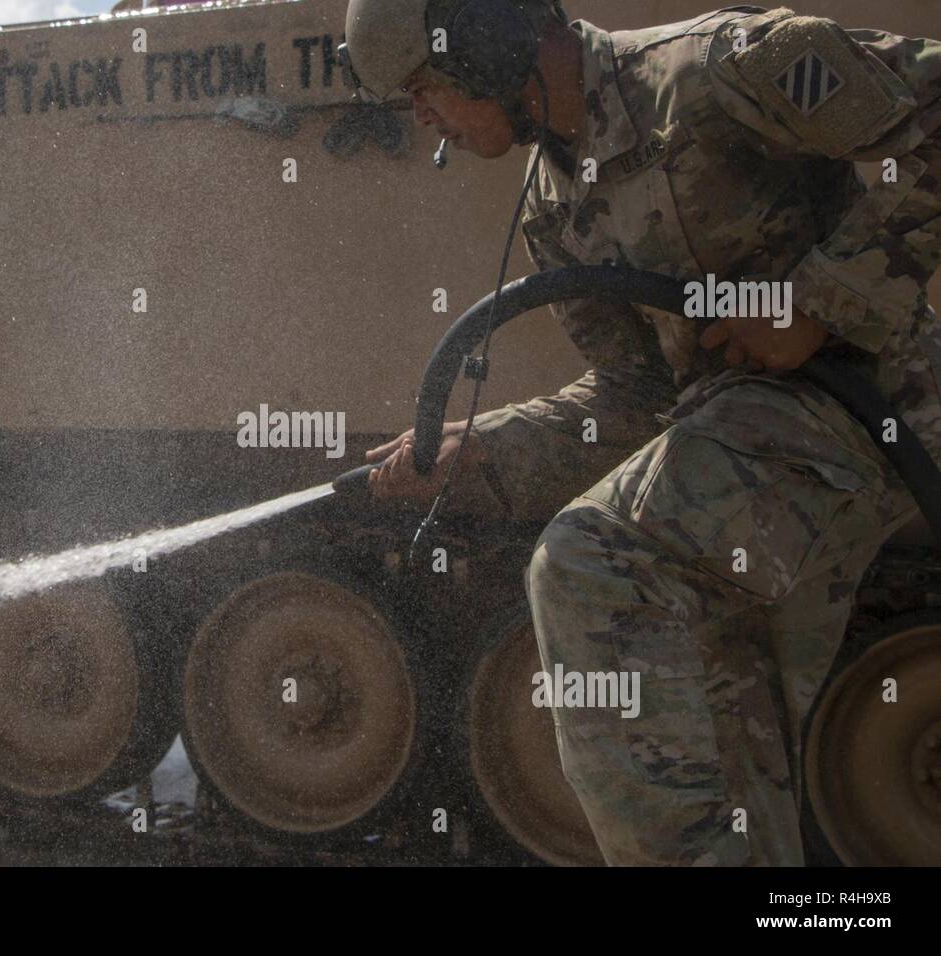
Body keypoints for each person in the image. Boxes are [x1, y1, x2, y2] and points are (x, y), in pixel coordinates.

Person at [344, 0, 941, 864]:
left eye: (424, 89)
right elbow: (635, 396)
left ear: (486, 44)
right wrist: (487, 449)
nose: (422, 121)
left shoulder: (709, 72)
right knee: (721, 731)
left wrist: (817, 300)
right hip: (741, 453)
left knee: (592, 562)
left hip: (872, 409)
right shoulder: (552, 203)